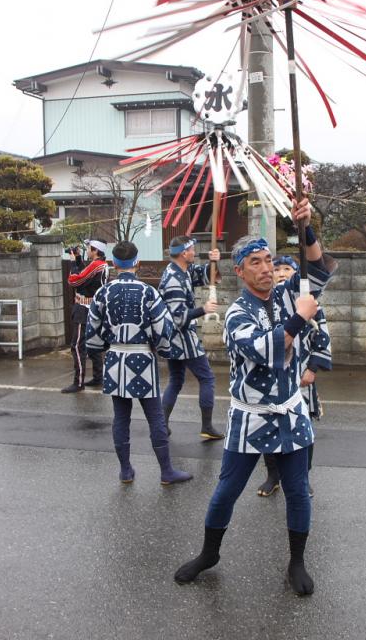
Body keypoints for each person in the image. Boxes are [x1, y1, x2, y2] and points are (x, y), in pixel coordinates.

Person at [174, 198, 337, 596]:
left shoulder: (285, 294)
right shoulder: (236, 314)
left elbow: (318, 269)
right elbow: (267, 349)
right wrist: (300, 317)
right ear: (240, 271)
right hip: (250, 417)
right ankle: (209, 553)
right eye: (256, 263)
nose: (266, 268)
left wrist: (306, 227)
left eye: (268, 260)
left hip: (291, 412)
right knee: (227, 490)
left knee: (298, 490)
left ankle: (296, 561)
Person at [85, 240, 192, 486]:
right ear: (138, 263)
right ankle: (166, 471)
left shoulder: (103, 292)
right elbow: (163, 330)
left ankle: (125, 471)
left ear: (113, 264)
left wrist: (101, 348)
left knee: (120, 418)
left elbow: (92, 331)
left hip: (114, 359)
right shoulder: (148, 292)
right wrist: (164, 350)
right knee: (155, 417)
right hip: (142, 358)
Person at [256, 255, 331, 499]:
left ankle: (302, 476)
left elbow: (322, 337)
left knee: (303, 430)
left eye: (286, 268)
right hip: (273, 376)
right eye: (276, 268)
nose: (280, 272)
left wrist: (312, 368)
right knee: (270, 427)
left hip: (300, 376)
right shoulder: (264, 303)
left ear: (296, 273)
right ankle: (273, 475)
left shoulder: (309, 303)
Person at [159, 235, 224, 440]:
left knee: (176, 380)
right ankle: (207, 426)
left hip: (176, 336)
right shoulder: (173, 280)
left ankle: (161, 425)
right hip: (181, 336)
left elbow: (203, 274)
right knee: (207, 378)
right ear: (183, 253)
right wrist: (202, 309)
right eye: (192, 249)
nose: (194, 252)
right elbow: (177, 317)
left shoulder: (181, 271)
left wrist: (213, 261)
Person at [62, 238, 109, 393]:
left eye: (88, 248)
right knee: (94, 345)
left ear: (95, 250)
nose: (86, 249)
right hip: (94, 308)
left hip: (84, 308)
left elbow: (74, 281)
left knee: (77, 345)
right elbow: (85, 278)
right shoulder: (101, 264)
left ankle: (78, 382)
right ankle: (98, 377)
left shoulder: (95, 265)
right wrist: (79, 259)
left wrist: (73, 263)